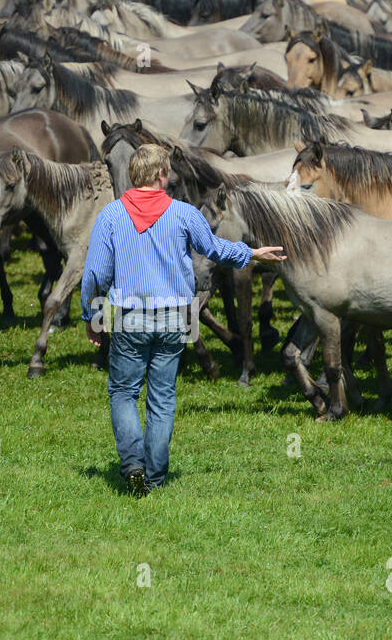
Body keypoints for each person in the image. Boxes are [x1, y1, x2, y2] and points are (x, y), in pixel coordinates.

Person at [80, 144, 286, 497]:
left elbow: (95, 274)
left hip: (130, 319)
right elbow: (216, 250)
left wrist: (92, 316)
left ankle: (132, 465)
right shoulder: (184, 214)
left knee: (123, 393)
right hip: (176, 318)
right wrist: (251, 252)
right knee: (162, 397)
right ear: (162, 175)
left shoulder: (111, 216)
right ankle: (156, 478)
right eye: (168, 172)